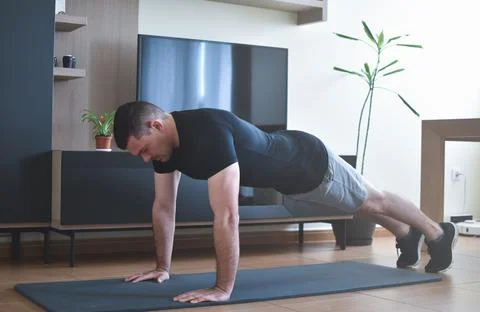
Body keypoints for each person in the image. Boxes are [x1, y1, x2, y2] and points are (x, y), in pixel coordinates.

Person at [113, 100, 458, 304]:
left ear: (156, 125)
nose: (145, 159)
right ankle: (405, 233)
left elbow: (227, 215)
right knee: (361, 205)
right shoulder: (164, 150)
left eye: (143, 149)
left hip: (310, 165)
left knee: (374, 200)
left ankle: (437, 232)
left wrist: (222, 288)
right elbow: (163, 207)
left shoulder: (207, 133)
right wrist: (162, 267)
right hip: (290, 186)